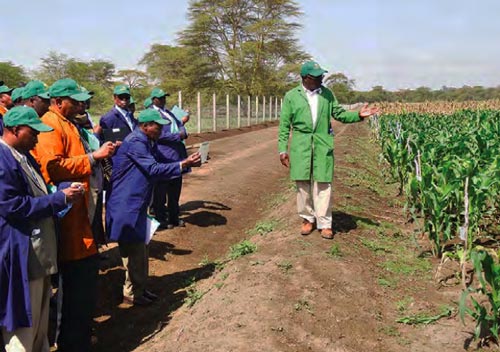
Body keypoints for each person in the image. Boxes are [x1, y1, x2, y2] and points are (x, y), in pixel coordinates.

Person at [32, 78, 116, 351]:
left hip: (82, 219)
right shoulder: (51, 125)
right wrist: (93, 158)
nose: (81, 104)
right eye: (75, 100)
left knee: (85, 285)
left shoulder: (69, 123)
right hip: (68, 221)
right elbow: (53, 167)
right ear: (58, 101)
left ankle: (79, 336)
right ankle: (69, 341)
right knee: (72, 286)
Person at [0, 106, 83, 352]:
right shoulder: (3, 160)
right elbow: (13, 206)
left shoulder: (22, 155)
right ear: (15, 129)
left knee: (39, 322)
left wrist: (61, 192)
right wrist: (59, 199)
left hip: (38, 251)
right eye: (32, 132)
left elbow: (37, 192)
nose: (37, 138)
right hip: (21, 252)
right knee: (24, 324)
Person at [106, 109, 200, 306]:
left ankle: (139, 289)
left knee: (140, 249)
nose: (160, 130)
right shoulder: (136, 142)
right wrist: (182, 165)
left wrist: (184, 163)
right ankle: (132, 292)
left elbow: (161, 163)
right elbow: (153, 168)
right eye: (157, 127)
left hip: (136, 203)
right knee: (134, 250)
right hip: (127, 204)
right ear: (145, 126)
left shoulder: (147, 141)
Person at [278, 61, 378, 239]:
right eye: (318, 77)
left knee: (323, 184)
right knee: (302, 184)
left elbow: (339, 114)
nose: (322, 79)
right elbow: (284, 125)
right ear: (306, 78)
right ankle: (307, 219)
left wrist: (358, 115)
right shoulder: (292, 96)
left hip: (322, 143)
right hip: (301, 144)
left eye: (321, 76)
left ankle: (324, 223)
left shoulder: (327, 95)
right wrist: (282, 150)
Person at [149, 88, 189, 228]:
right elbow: (157, 135)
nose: (163, 100)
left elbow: (180, 125)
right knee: (161, 190)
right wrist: (178, 136)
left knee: (175, 189)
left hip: (176, 155)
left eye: (164, 97)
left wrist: (182, 131)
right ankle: (161, 219)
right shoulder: (152, 114)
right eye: (160, 98)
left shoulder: (168, 112)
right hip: (163, 156)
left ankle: (174, 217)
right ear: (153, 99)